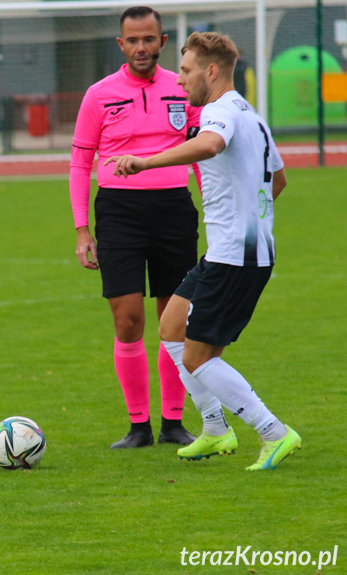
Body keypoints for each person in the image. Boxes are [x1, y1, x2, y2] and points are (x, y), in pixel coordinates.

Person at [106, 31, 301, 470]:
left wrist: (145, 161)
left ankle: (273, 432)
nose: (179, 79)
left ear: (211, 71)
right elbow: (279, 180)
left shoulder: (218, 113)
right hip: (232, 251)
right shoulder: (252, 114)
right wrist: (252, 217)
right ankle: (214, 429)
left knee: (198, 356)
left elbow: (210, 144)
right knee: (172, 327)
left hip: (236, 256)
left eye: (187, 69)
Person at [69, 6, 200, 449]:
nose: (142, 47)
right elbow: (80, 162)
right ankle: (138, 426)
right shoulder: (98, 94)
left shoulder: (183, 89)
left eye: (150, 39)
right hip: (119, 212)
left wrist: (213, 211)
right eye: (133, 40)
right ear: (120, 44)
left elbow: (201, 152)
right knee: (128, 320)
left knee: (173, 321)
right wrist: (82, 230)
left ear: (163, 43)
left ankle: (173, 423)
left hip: (173, 209)